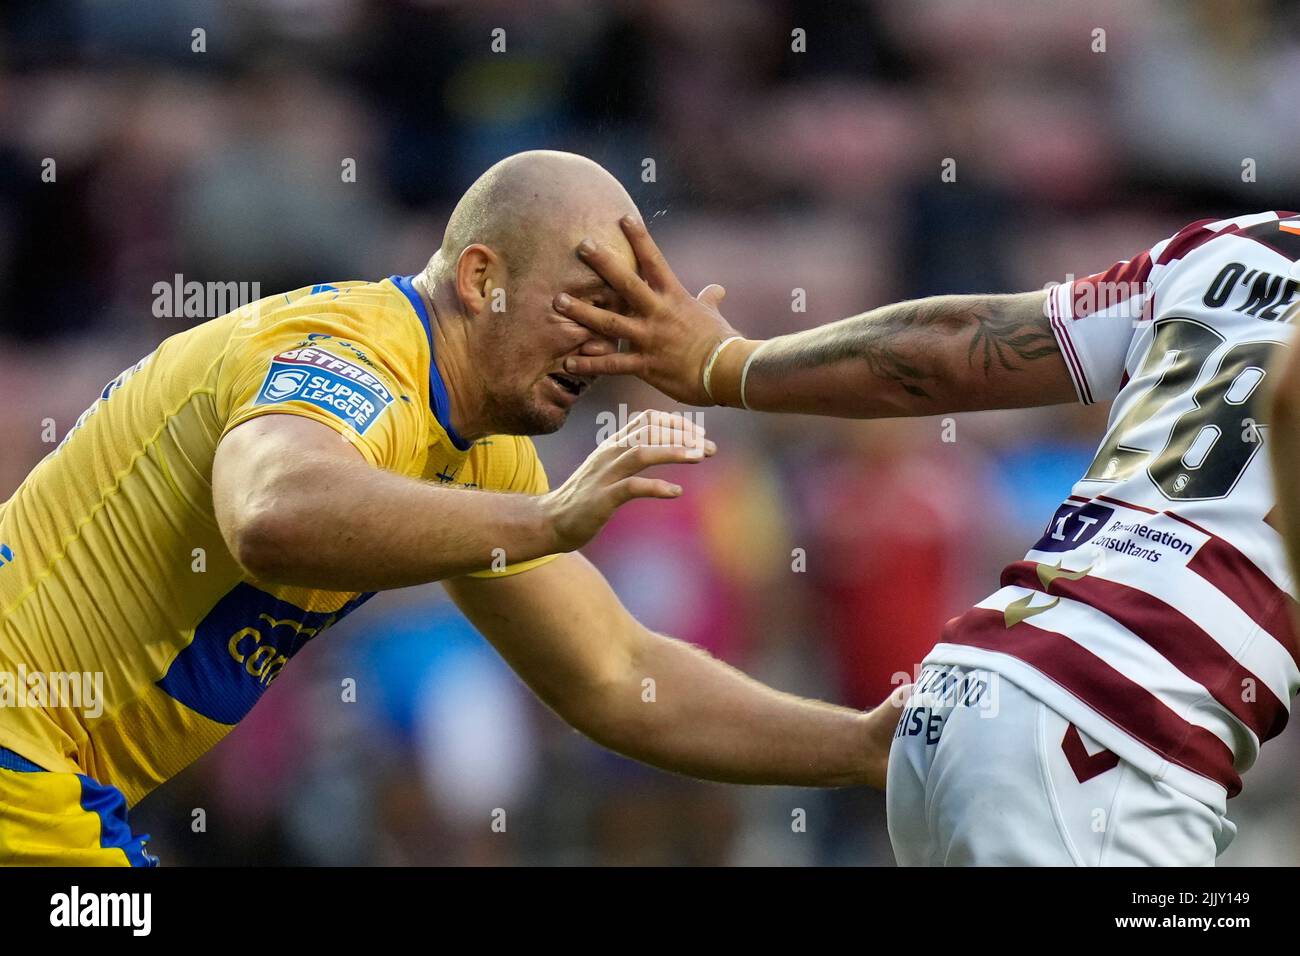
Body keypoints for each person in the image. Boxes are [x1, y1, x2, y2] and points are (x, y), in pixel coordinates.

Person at [0, 151, 903, 866]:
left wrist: (862, 748)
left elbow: (618, 675)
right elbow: (271, 512)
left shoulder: (484, 451)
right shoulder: (354, 354)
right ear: (479, 278)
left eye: (621, 323)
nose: (604, 352)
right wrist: (543, 526)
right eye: (588, 309)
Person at [559, 209, 1300, 865]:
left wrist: (729, 363)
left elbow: (955, 344)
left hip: (967, 701)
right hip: (1108, 748)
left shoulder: (1238, 245)